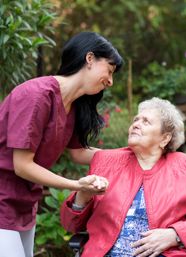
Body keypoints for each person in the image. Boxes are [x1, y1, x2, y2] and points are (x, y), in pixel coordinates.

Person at [0, 31, 123, 257]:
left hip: (24, 204)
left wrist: (128, 154)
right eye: (110, 69)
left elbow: (77, 153)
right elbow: (22, 165)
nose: (111, 80)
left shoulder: (73, 107)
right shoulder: (37, 95)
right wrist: (77, 185)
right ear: (90, 59)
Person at [61, 97, 186, 257]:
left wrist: (174, 235)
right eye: (136, 120)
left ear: (164, 138)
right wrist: (83, 195)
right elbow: (70, 224)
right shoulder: (105, 162)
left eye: (146, 122)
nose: (136, 124)